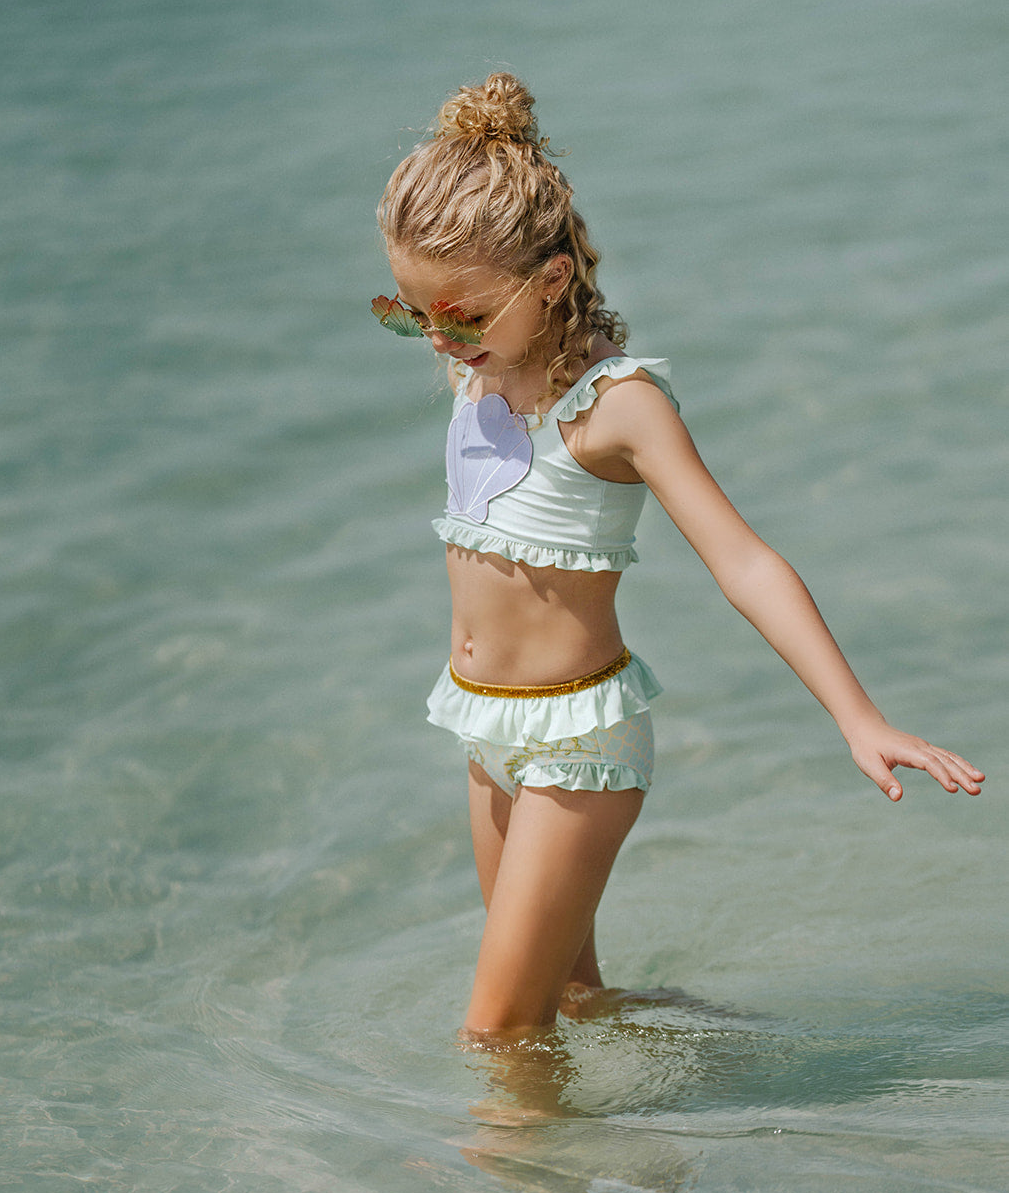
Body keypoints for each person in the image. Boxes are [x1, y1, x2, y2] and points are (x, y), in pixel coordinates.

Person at [372, 73, 984, 1041]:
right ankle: (674, 1114)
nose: (442, 339)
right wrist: (467, 337)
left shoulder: (619, 407)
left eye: (462, 315)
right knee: (570, 1003)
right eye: (410, 315)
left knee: (495, 1030)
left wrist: (856, 716)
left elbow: (743, 562)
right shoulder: (479, 368)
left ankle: (499, 1175)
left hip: (575, 742)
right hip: (481, 726)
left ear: (552, 279)